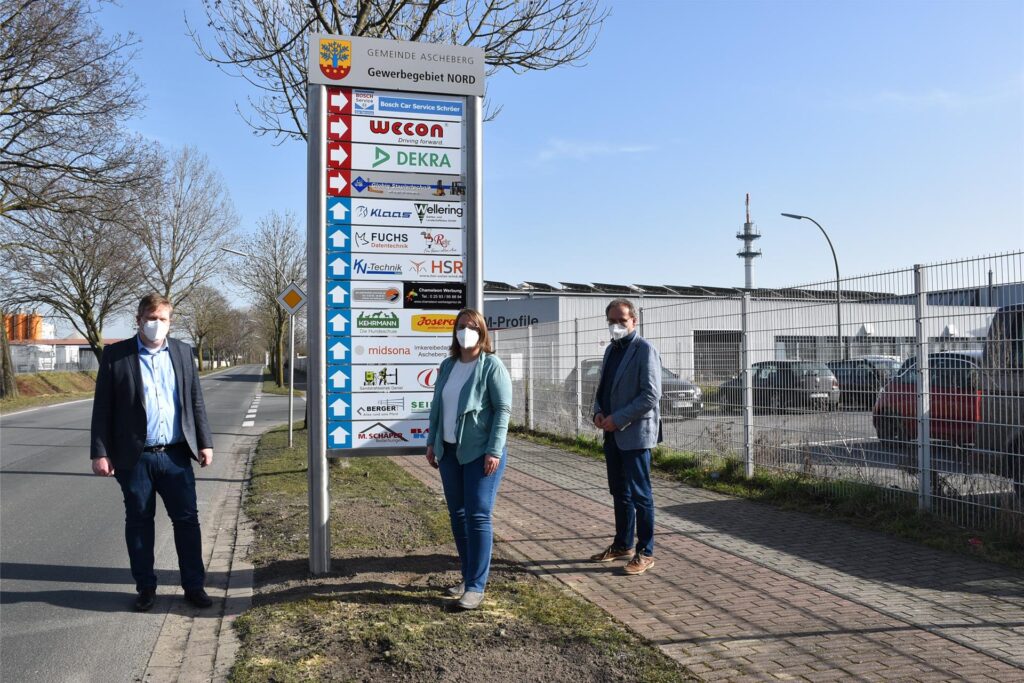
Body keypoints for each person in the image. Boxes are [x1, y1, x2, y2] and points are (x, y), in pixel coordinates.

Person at [90, 293, 215, 611]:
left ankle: (194, 586)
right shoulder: (116, 355)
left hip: (175, 454)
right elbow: (103, 407)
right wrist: (100, 452)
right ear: (139, 319)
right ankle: (145, 588)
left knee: (187, 521)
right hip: (135, 458)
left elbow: (195, 401)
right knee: (139, 522)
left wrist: (205, 442)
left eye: (162, 318)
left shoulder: (184, 353)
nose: (156, 324)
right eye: (150, 317)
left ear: (170, 321)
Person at [426, 308, 512, 610]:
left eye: (472, 327)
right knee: (458, 516)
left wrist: (494, 450)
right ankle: (467, 577)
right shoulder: (448, 365)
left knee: (477, 515)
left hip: (480, 453)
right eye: (461, 327)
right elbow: (437, 407)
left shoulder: (491, 366)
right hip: (449, 453)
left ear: (482, 332)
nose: (466, 331)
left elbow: (503, 410)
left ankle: (477, 586)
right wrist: (431, 442)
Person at [590, 298, 662, 575]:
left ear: (634, 320)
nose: (616, 325)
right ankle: (623, 544)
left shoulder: (644, 350)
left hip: (635, 435)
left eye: (621, 320)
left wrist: (618, 419)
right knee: (619, 492)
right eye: (612, 321)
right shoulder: (611, 350)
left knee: (640, 495)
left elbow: (651, 394)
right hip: (611, 434)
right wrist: (598, 412)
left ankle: (646, 551)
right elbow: (603, 388)